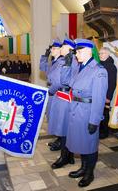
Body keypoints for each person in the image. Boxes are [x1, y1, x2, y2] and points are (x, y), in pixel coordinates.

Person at [61, 38, 108, 187]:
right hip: (75, 110)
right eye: (76, 52)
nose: (76, 55)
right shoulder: (78, 67)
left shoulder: (99, 71)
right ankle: (83, 168)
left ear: (89, 51)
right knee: (81, 143)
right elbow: (65, 82)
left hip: (87, 112)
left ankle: (89, 173)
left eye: (79, 51)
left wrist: (95, 120)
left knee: (89, 145)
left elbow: (99, 98)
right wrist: (67, 65)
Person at [50, 38, 76, 168]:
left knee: (65, 128)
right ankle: (69, 156)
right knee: (64, 128)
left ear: (69, 49)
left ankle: (65, 157)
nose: (61, 48)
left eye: (64, 46)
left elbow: (63, 81)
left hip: (65, 96)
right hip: (62, 95)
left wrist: (51, 90)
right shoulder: (67, 60)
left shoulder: (71, 61)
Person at [40, 39, 64, 151]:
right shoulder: (53, 61)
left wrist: (51, 91)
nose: (51, 50)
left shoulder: (61, 62)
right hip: (51, 90)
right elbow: (42, 68)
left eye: (54, 48)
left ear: (60, 50)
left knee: (57, 117)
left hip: (56, 92)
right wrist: (44, 57)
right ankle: (58, 138)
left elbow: (58, 81)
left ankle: (60, 140)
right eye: (51, 48)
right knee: (52, 116)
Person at [99, 47, 117, 139]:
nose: (100, 55)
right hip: (98, 93)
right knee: (98, 112)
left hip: (105, 95)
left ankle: (104, 132)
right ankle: (99, 130)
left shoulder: (111, 66)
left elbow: (112, 83)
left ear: (108, 54)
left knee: (104, 113)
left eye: (103, 53)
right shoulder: (99, 65)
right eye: (100, 53)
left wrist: (108, 97)